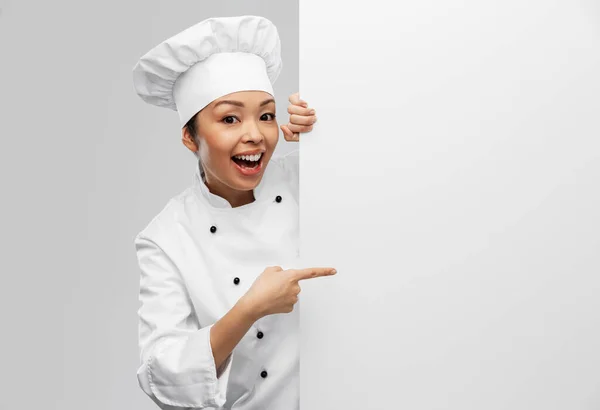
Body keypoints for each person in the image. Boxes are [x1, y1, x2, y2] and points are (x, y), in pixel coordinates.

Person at [131, 15, 337, 410]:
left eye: (266, 115)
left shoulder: (308, 178)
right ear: (189, 136)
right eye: (230, 118)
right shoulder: (167, 237)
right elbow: (163, 375)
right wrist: (249, 309)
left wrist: (325, 135)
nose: (255, 135)